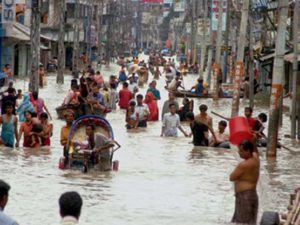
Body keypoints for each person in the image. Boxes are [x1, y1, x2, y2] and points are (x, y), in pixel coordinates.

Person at [229, 140, 259, 224]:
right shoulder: (256, 159)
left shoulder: (244, 165)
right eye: (239, 150)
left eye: (242, 151)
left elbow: (231, 177)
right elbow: (256, 152)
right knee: (250, 222)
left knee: (242, 222)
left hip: (244, 197)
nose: (239, 153)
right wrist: (253, 140)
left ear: (248, 151)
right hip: (251, 195)